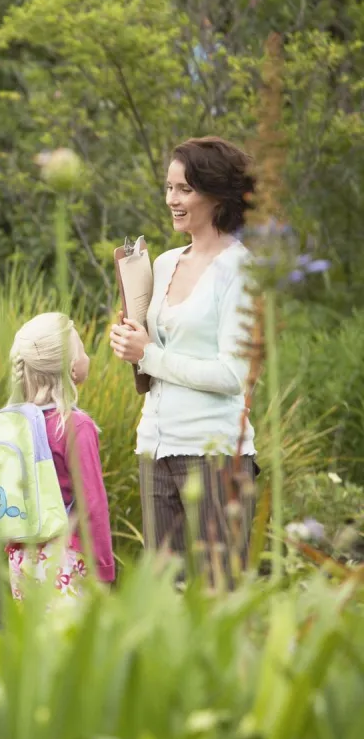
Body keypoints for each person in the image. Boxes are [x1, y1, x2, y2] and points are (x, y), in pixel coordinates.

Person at [110, 136, 259, 587]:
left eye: (185, 189)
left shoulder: (241, 270)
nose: (172, 200)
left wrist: (150, 355)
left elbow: (233, 375)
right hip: (155, 446)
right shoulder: (167, 261)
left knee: (219, 600)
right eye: (169, 188)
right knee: (165, 605)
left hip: (215, 457)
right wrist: (132, 341)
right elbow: (159, 351)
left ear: (218, 195)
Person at [4, 313, 116, 599]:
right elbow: (93, 503)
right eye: (82, 350)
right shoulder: (75, 426)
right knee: (71, 641)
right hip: (65, 560)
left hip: (21, 557)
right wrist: (104, 569)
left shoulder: (13, 423)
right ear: (71, 367)